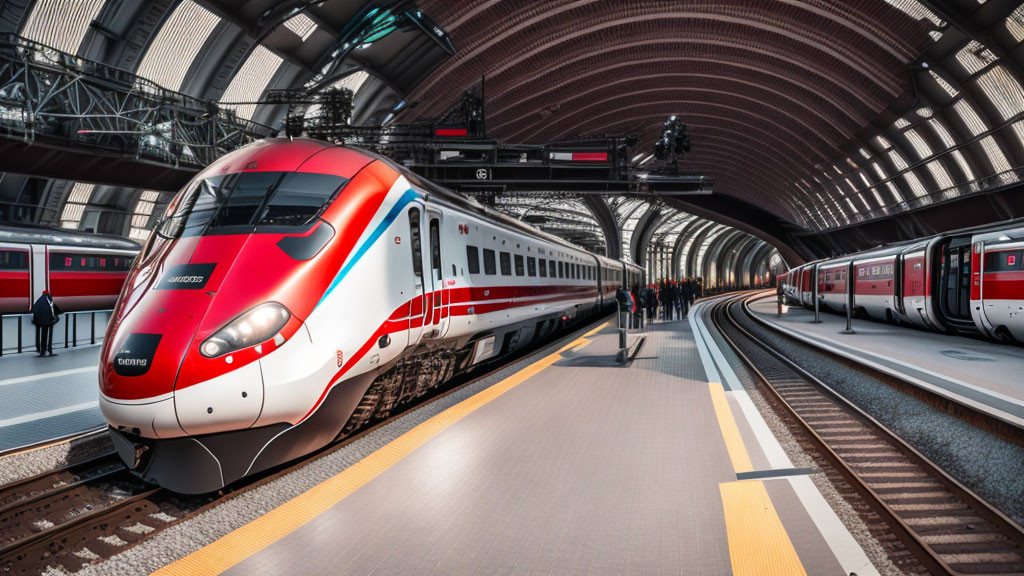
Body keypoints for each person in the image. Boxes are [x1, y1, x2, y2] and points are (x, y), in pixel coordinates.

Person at [32, 290, 60, 356]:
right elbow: (53, 309)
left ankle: (42, 351)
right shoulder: (49, 300)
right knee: (49, 336)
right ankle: (50, 350)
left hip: (41, 322)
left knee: (43, 336)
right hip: (49, 321)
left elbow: (35, 310)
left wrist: (37, 320)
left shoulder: (39, 301)